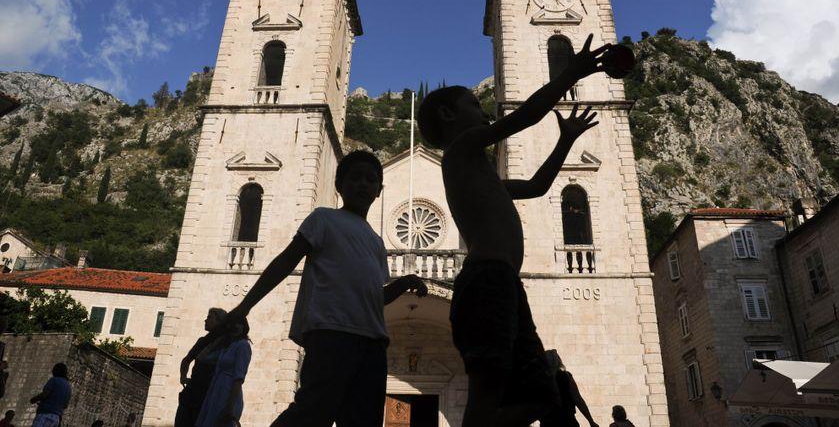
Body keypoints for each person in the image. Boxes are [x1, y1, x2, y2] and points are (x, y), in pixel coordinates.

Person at [417, 34, 611, 427]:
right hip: (488, 279)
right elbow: (525, 117)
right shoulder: (462, 148)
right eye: (474, 105)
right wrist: (569, 75)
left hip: (502, 281)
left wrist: (565, 140)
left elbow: (538, 186)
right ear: (449, 117)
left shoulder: (481, 174)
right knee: (488, 389)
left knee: (541, 392)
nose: (485, 112)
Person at [222, 150, 428, 427]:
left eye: (371, 179)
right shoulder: (323, 219)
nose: (363, 184)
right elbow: (285, 261)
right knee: (313, 411)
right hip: (331, 332)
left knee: (363, 419)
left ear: (379, 190)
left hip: (374, 341)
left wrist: (402, 284)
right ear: (339, 185)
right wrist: (245, 306)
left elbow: (374, 297)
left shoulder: (376, 242)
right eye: (355, 178)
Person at [175, 308, 227, 427]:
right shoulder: (203, 341)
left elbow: (186, 361)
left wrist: (183, 378)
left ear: (219, 321)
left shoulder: (224, 344)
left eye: (209, 317)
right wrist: (183, 377)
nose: (205, 320)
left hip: (206, 395)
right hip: (195, 393)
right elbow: (186, 361)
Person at [195, 317, 252, 427]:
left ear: (244, 327)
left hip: (227, 392)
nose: (235, 327)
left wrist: (230, 406)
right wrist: (219, 340)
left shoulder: (243, 345)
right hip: (215, 390)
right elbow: (202, 357)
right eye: (232, 325)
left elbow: (239, 378)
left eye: (239, 324)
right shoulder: (227, 346)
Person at [540, 351, 599, 427]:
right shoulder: (566, 377)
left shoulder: (541, 379)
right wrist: (591, 421)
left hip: (548, 422)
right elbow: (578, 399)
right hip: (567, 420)